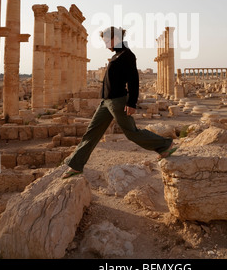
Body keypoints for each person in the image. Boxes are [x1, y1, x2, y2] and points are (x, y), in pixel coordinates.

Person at [62, 26, 177, 178]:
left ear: (114, 39)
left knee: (131, 133)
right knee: (92, 132)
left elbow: (133, 81)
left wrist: (131, 103)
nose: (105, 45)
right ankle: (76, 164)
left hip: (118, 101)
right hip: (106, 102)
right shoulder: (117, 55)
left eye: (106, 41)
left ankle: (165, 144)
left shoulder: (127, 55)